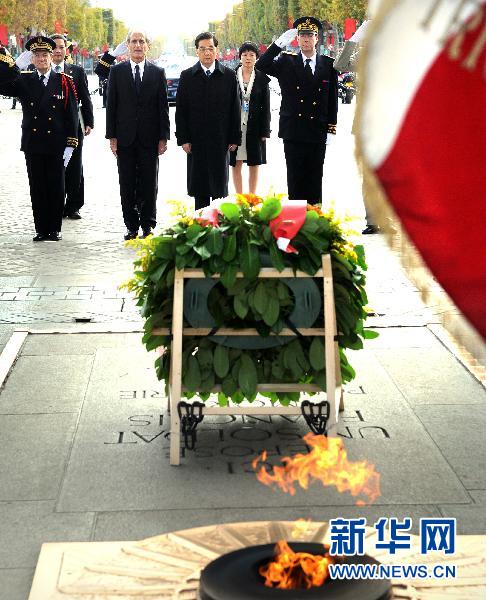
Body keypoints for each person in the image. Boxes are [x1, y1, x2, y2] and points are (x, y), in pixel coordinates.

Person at [0, 37, 78, 241]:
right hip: (33, 143)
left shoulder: (64, 81)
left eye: (45, 55)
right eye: (37, 56)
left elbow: (71, 116)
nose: (41, 59)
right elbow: (3, 84)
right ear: (32, 59)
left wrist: (71, 144)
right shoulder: (24, 80)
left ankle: (55, 228)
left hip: (56, 144)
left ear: (51, 57)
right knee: (37, 187)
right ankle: (41, 229)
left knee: (56, 186)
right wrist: (8, 59)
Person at [95, 31, 170, 240]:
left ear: (148, 46)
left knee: (149, 182)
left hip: (150, 138)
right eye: (134, 41)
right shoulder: (116, 72)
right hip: (124, 137)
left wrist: (163, 137)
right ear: (128, 45)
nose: (138, 45)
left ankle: (148, 224)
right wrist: (112, 137)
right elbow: (112, 106)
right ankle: (130, 225)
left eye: (141, 41)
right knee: (126, 182)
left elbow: (162, 107)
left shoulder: (157, 72)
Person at [256, 16, 338, 205]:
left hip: (317, 129)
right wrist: (277, 45)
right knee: (295, 179)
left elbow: (332, 100)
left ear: (317, 39)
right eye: (302, 35)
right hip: (293, 130)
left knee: (315, 178)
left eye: (311, 35)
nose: (306, 39)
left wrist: (331, 128)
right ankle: (296, 223)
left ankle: (315, 222)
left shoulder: (328, 64)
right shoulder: (286, 61)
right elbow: (261, 65)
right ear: (297, 39)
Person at [175, 32, 241, 209]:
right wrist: (183, 139)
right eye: (202, 49)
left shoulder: (228, 76)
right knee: (200, 190)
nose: (207, 52)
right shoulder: (187, 76)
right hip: (196, 142)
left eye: (210, 48)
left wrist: (235, 138)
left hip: (221, 140)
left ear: (216, 50)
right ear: (197, 51)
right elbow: (181, 111)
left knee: (220, 191)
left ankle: (220, 232)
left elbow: (235, 109)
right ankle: (201, 230)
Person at [50, 34, 94, 220]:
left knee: (75, 167)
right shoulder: (41, 70)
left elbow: (85, 98)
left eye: (61, 47)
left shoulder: (76, 71)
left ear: (67, 50)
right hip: (50, 128)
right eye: (54, 47)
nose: (58, 51)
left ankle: (74, 205)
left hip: (74, 128)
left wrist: (89, 122)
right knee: (53, 166)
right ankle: (55, 204)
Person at [230, 41, 271, 195]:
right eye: (245, 55)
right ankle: (240, 197)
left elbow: (266, 107)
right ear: (240, 57)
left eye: (252, 55)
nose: (248, 58)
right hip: (236, 125)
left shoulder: (262, 79)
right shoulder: (230, 76)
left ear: (256, 58)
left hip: (255, 126)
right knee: (236, 163)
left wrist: (265, 131)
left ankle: (252, 197)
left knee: (254, 163)